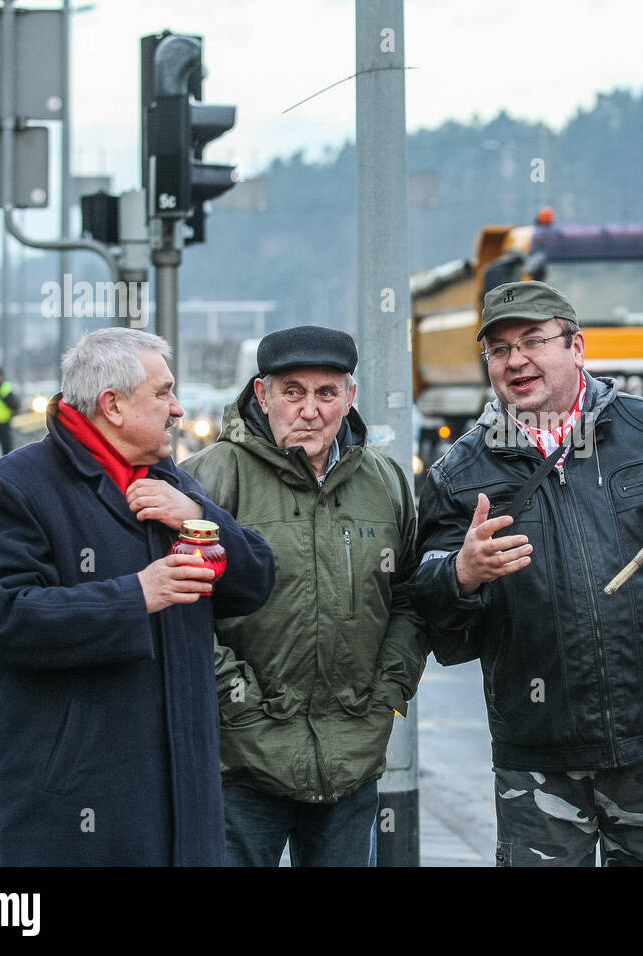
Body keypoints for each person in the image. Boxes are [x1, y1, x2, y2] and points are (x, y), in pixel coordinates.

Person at [408, 280, 643, 867]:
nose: (516, 360)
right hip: (535, 755)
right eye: (499, 349)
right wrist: (461, 573)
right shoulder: (460, 472)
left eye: (533, 340)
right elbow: (427, 598)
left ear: (577, 347)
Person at [0, 328, 276, 866]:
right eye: (163, 392)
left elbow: (255, 582)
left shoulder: (171, 482)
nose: (177, 408)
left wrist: (200, 518)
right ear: (114, 405)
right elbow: (4, 616)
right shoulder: (12, 488)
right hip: (80, 805)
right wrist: (136, 595)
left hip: (186, 797)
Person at [183, 326, 426, 867]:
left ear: (350, 398)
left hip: (351, 757)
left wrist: (389, 686)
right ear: (262, 394)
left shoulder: (385, 481)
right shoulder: (208, 480)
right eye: (292, 391)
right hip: (241, 763)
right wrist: (233, 700)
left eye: (326, 393)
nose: (310, 410)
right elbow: (181, 611)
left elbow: (409, 597)